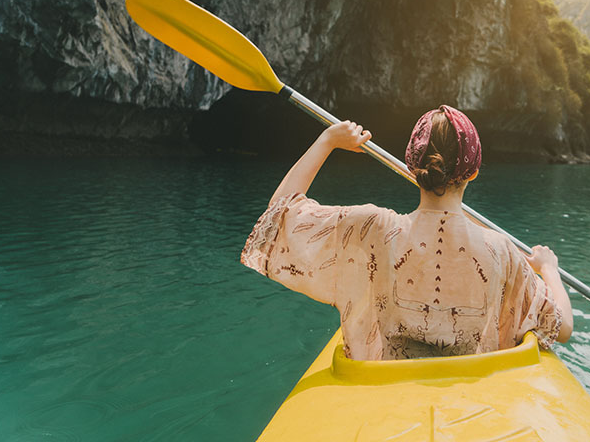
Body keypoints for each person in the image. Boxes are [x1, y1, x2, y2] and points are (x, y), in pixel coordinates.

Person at [241, 105, 573, 360]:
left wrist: (327, 140)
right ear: (473, 172)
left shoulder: (371, 227)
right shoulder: (502, 251)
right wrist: (548, 269)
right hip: (467, 406)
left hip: (383, 390)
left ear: (412, 168)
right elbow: (561, 327)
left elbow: (279, 215)